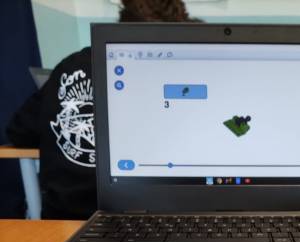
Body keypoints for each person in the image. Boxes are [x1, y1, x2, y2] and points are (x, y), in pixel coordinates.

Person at [6, 0, 199, 220]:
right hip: (139, 216)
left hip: (63, 219)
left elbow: (18, 131)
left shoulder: (69, 66)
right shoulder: (171, 72)